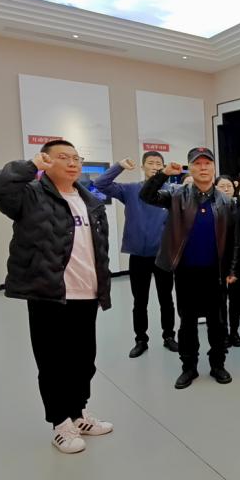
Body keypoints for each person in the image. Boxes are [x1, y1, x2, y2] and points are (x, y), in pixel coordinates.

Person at [0, 140, 113, 454]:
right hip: (48, 293)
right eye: (63, 157)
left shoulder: (90, 201)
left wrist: (102, 287)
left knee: (83, 360)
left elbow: (98, 250)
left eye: (76, 158)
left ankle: (78, 414)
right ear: (46, 161)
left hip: (87, 293)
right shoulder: (30, 196)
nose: (72, 163)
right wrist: (30, 166)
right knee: (53, 362)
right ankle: (60, 423)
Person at [140, 147, 236, 389]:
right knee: (188, 322)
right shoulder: (176, 195)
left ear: (214, 168)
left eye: (207, 163)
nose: (203, 168)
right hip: (185, 271)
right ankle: (189, 367)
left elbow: (234, 240)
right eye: (197, 164)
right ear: (190, 168)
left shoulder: (225, 201)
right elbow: (146, 195)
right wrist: (163, 174)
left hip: (215, 273)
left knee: (217, 323)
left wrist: (232, 269)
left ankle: (217, 364)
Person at [93, 152, 178, 358]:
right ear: (142, 166)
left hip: (163, 255)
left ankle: (169, 336)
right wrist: (120, 165)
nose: (155, 166)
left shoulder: (172, 192)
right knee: (139, 301)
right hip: (139, 255)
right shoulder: (130, 190)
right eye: (150, 163)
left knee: (166, 299)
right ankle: (141, 339)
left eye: (158, 163)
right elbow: (100, 184)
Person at [215, 175, 240, 348]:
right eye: (221, 186)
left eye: (229, 186)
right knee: (220, 299)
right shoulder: (212, 207)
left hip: (238, 261)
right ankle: (223, 332)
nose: (226, 189)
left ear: (234, 188)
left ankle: (235, 332)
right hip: (217, 261)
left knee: (236, 300)